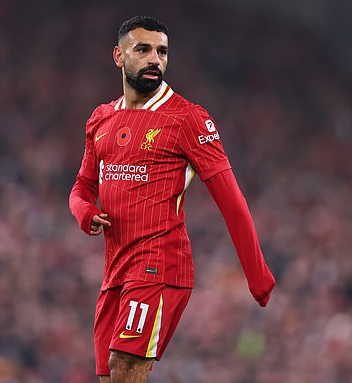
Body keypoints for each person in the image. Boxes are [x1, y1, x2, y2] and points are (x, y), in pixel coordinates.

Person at [69, 16, 275, 383]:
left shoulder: (188, 119)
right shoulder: (100, 119)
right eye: (143, 49)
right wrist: (85, 212)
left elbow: (231, 201)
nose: (155, 60)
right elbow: (82, 187)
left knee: (125, 366)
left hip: (159, 266)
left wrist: (256, 274)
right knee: (109, 375)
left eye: (162, 51)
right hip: (116, 269)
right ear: (118, 56)